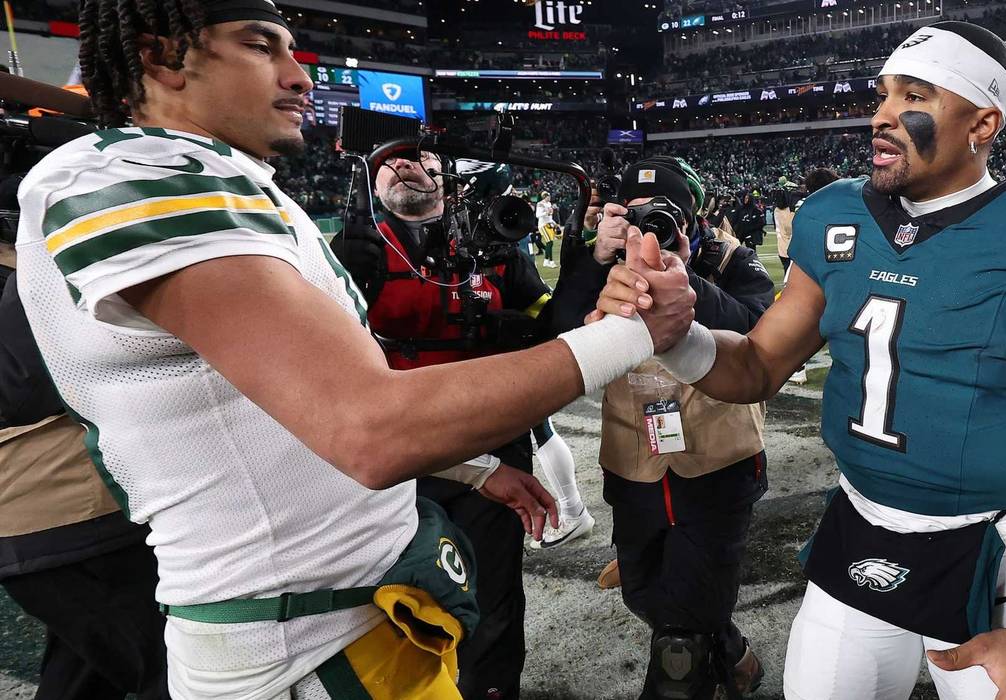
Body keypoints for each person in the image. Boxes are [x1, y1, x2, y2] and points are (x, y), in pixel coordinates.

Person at [16, 1, 692, 695]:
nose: (300, 76)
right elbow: (369, 428)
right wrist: (635, 333)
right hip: (300, 651)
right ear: (162, 58)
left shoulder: (227, 185)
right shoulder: (127, 174)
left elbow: (292, 401)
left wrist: (470, 468)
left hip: (358, 612)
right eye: (260, 47)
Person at [595, 21, 1006, 700]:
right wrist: (677, 334)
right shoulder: (833, 213)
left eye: (913, 96)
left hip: (997, 549)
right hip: (859, 522)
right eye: (882, 94)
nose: (881, 115)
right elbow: (754, 365)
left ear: (981, 122)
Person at [328, 150, 595, 698]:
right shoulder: (352, 251)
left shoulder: (491, 243)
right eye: (393, 158)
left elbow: (552, 331)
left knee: (491, 599)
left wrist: (583, 273)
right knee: (383, 602)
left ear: (449, 177)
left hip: (488, 441)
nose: (406, 168)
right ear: (372, 175)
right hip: (392, 450)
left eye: (421, 157)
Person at [556, 156, 775, 699]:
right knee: (643, 591)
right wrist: (594, 262)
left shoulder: (731, 260)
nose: (646, 226)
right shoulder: (599, 263)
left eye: (662, 213)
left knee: (681, 637)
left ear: (693, 215)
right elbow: (551, 344)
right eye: (633, 214)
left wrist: (685, 277)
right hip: (633, 457)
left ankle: (702, 655)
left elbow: (765, 340)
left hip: (719, 456)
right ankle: (733, 653)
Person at [1, 220, 169, 700]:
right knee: (176, 672)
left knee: (81, 680)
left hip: (67, 506)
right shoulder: (34, 258)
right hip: (64, 514)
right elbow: (20, 386)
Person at [784, 167, 840, 385]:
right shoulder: (850, 204)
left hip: (810, 264)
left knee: (796, 320)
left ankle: (798, 368)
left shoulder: (807, 206)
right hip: (844, 267)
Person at [771, 176, 799, 273]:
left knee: (787, 272)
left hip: (782, 248)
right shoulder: (789, 211)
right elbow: (790, 228)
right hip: (792, 248)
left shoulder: (776, 210)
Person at [536, 190, 559, 268]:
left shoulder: (549, 204)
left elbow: (549, 217)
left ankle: (546, 261)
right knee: (549, 242)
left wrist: (554, 223)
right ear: (544, 197)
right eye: (548, 196)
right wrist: (546, 212)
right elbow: (538, 215)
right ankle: (551, 261)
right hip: (542, 225)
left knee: (550, 243)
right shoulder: (540, 204)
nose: (549, 198)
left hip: (549, 225)